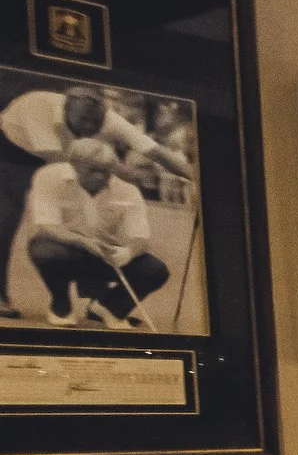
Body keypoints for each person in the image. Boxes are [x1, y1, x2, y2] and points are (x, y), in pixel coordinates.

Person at [0, 82, 191, 318]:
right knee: (5, 218)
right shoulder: (37, 108)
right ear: (66, 110)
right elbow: (62, 164)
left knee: (92, 205)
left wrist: (197, 178)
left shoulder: (109, 119)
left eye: (96, 123)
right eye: (83, 122)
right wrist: (116, 168)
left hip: (71, 155)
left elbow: (157, 152)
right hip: (10, 149)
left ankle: (100, 301)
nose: (90, 128)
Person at [24, 138, 168, 329]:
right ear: (74, 166)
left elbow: (140, 238)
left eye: (106, 170)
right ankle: (61, 306)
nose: (101, 176)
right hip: (66, 248)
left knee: (155, 271)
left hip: (106, 254)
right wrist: (83, 241)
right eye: (93, 170)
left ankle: (109, 308)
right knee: (47, 252)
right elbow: (48, 226)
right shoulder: (48, 176)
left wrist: (127, 253)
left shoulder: (127, 191)